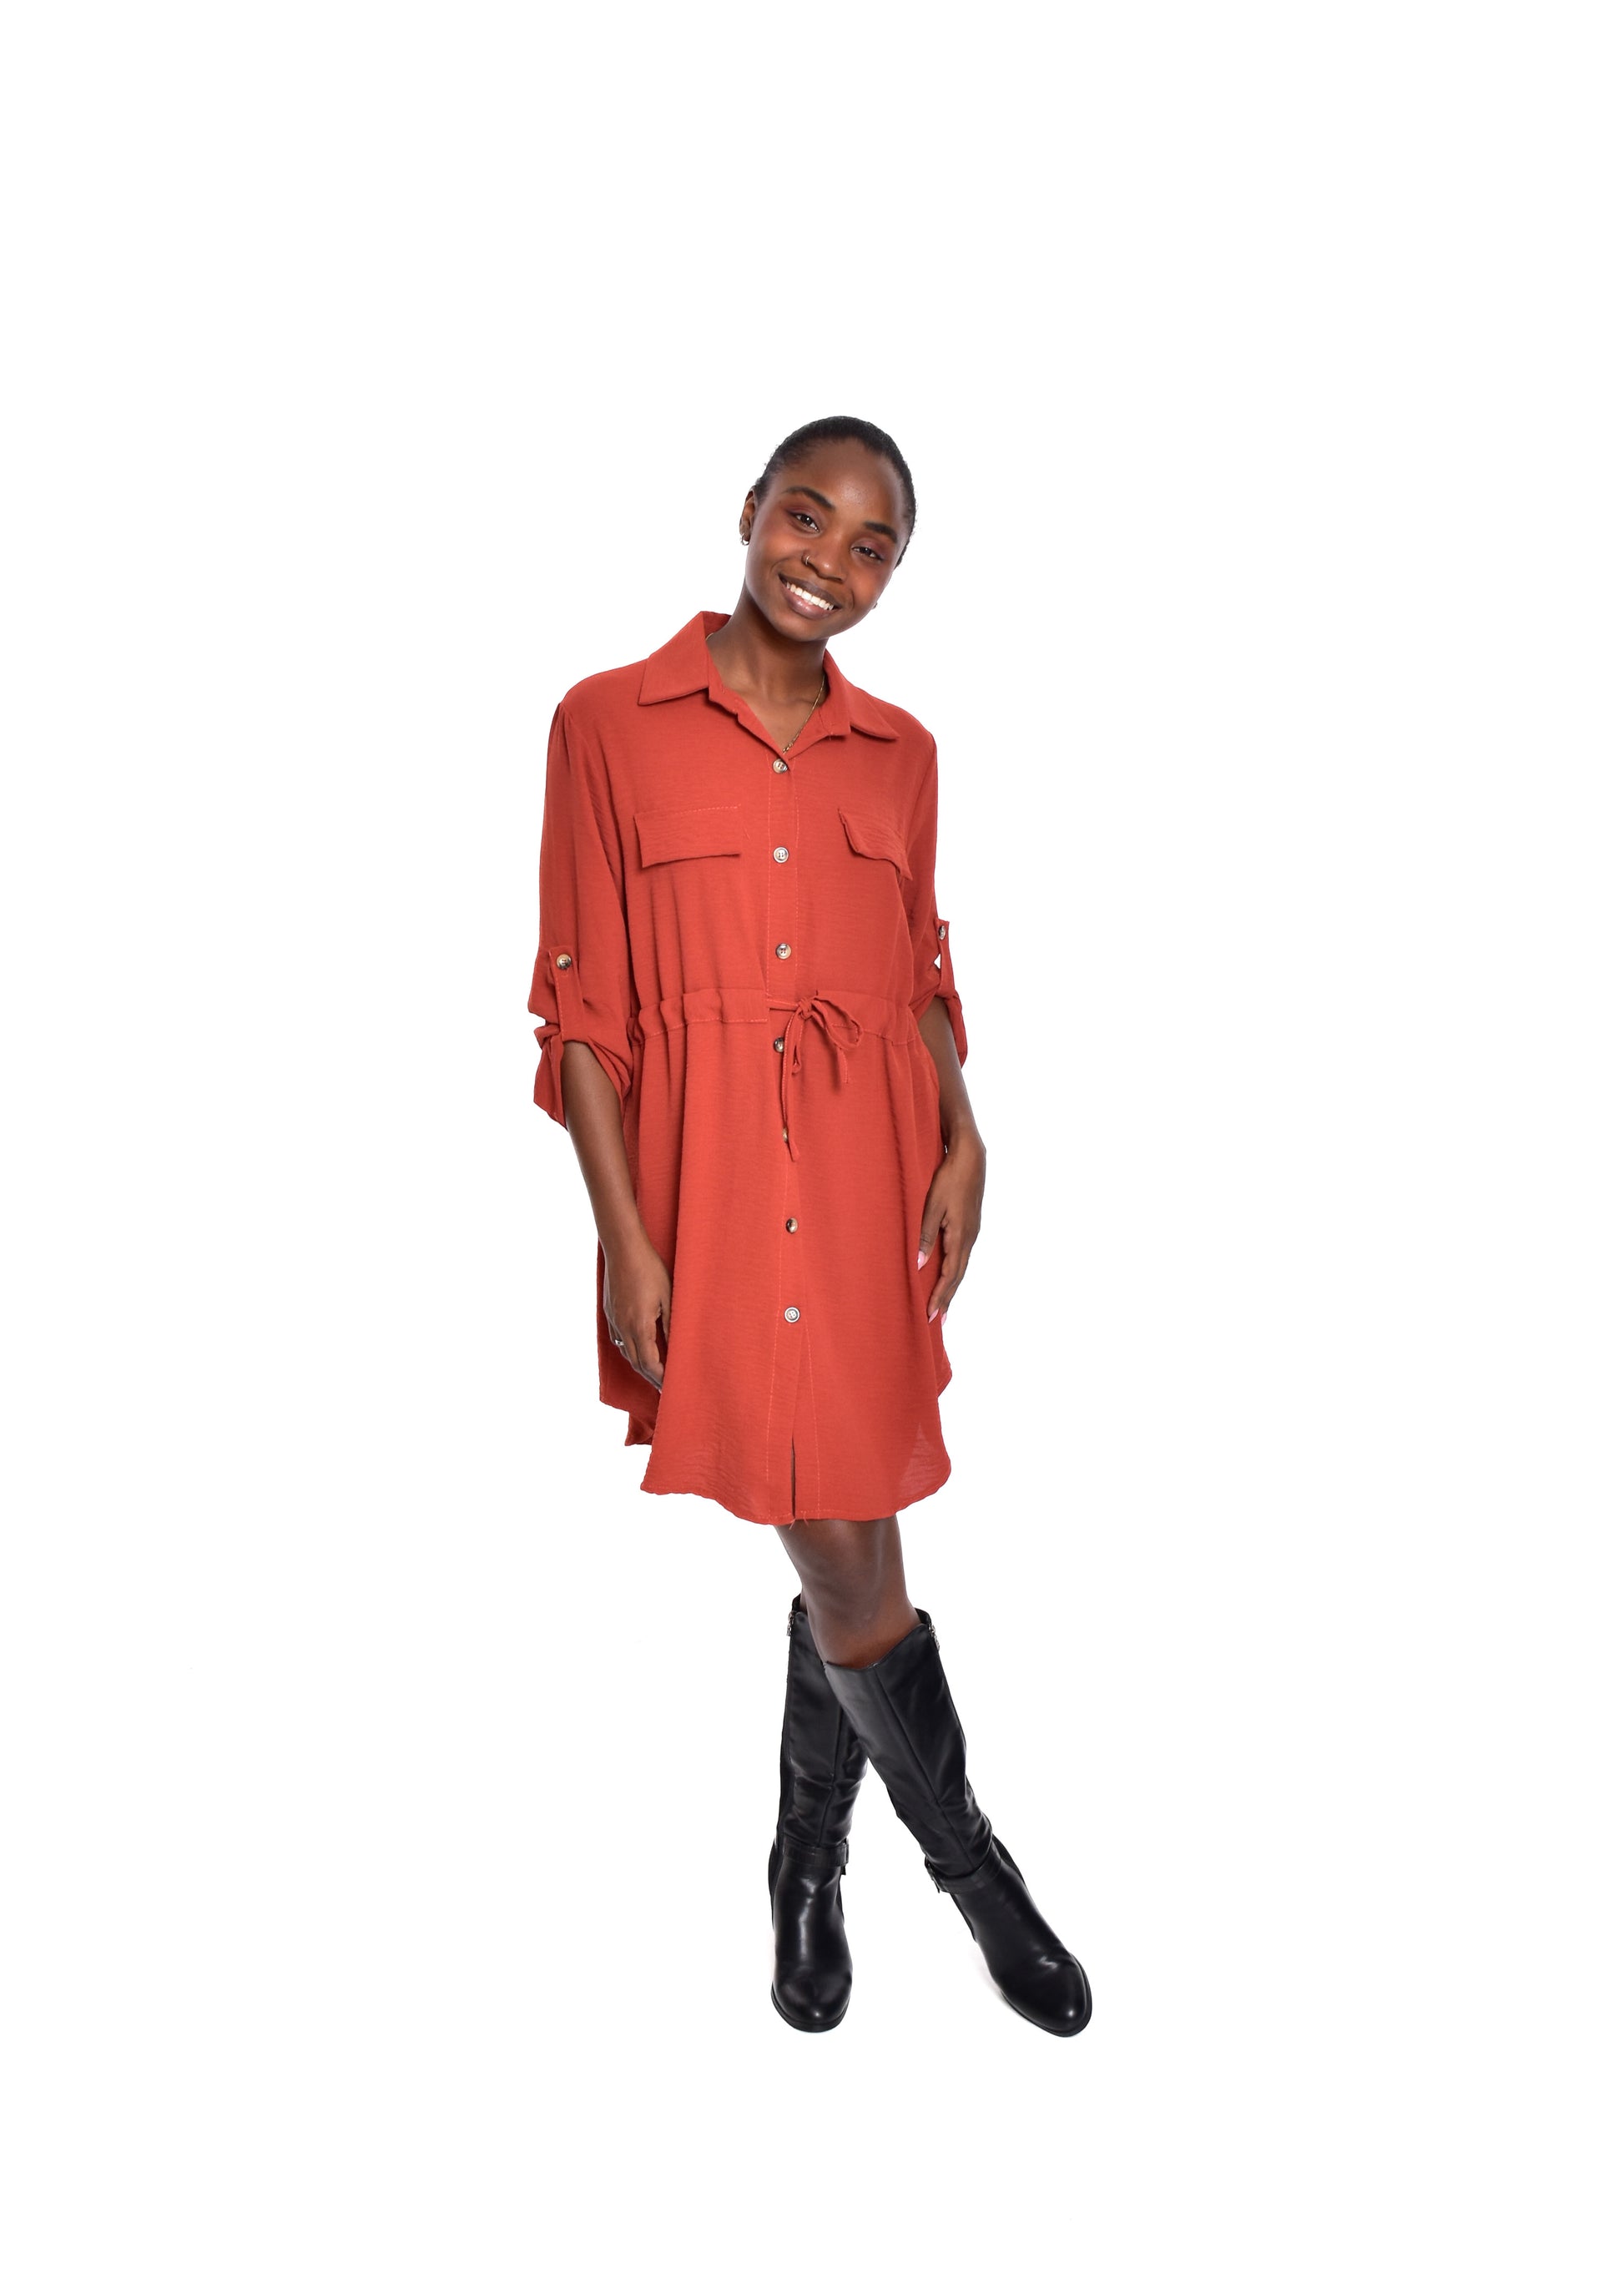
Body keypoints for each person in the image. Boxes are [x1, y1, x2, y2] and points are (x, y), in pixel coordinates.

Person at [527, 416, 1090, 2036]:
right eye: (805, 517)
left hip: (868, 1173)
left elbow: (916, 974)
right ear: (748, 510)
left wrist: (966, 1132)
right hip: (708, 1182)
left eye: (870, 545)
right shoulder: (603, 722)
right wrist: (630, 1243)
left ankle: (804, 1861)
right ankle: (971, 1872)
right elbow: (582, 1010)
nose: (828, 562)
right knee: (844, 1530)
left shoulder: (901, 753)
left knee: (840, 1502)